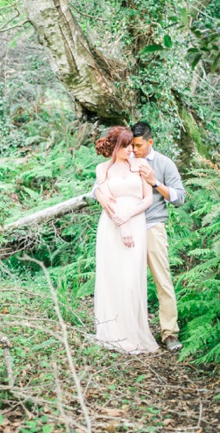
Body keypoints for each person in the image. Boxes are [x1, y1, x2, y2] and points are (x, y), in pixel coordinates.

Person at [95, 121, 186, 352]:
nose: (133, 151)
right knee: (125, 280)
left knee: (161, 279)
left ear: (149, 142)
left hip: (151, 226)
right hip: (121, 228)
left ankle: (169, 333)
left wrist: (155, 181)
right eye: (129, 146)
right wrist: (99, 195)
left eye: (137, 146)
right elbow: (101, 184)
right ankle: (121, 328)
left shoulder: (162, 163)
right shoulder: (124, 161)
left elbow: (179, 198)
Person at [92, 126, 158, 354]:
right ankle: (113, 333)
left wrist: (128, 218)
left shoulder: (140, 166)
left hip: (135, 221)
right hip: (111, 226)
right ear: (115, 146)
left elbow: (147, 199)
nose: (130, 150)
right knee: (112, 277)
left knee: (131, 279)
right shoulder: (103, 169)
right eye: (126, 146)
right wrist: (120, 224)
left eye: (132, 145)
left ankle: (133, 332)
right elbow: (105, 200)